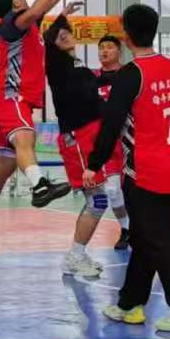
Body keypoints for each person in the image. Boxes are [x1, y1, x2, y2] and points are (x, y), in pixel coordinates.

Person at [82, 4, 170, 334]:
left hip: (144, 170)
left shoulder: (131, 74)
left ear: (126, 35)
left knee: (156, 238)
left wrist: (94, 164)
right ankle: (130, 304)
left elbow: (111, 125)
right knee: (143, 235)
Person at [0, 0, 84, 251]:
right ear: (16, 2)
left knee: (4, 166)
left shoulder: (26, 26)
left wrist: (64, 0)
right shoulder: (11, 25)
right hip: (11, 97)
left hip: (9, 101)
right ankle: (40, 185)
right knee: (25, 137)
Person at [43, 16, 127, 279]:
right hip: (77, 139)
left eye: (67, 32)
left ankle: (78, 254)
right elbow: (47, 40)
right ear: (53, 45)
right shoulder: (56, 65)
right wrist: (58, 15)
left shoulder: (79, 66)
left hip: (92, 136)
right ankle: (74, 257)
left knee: (100, 199)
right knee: (98, 200)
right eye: (59, 36)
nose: (65, 36)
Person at [96, 36, 130, 251]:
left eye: (109, 47)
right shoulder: (92, 78)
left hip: (132, 141)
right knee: (113, 190)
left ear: (119, 51)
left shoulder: (129, 75)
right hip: (108, 142)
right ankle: (126, 229)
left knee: (136, 192)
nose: (104, 51)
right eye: (101, 48)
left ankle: (145, 229)